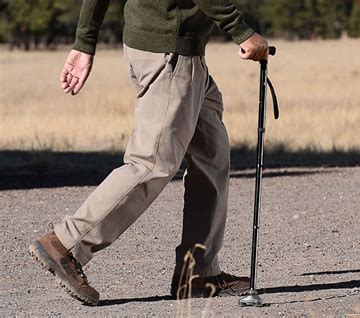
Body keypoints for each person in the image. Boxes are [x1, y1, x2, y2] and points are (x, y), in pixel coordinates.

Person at [29, 0, 269, 306]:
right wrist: (240, 30)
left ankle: (197, 273)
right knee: (151, 162)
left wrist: (85, 41)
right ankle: (66, 244)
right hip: (171, 51)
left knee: (212, 155)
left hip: (178, 50)